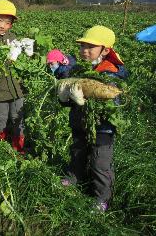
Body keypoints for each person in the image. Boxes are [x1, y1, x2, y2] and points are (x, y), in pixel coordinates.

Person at [57, 25, 128, 212]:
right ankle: (74, 178)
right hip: (80, 122)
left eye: (90, 47)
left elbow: (113, 102)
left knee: (100, 162)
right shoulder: (79, 70)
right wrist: (66, 98)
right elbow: (72, 96)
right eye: (82, 46)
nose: (84, 51)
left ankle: (102, 197)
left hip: (102, 128)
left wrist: (85, 101)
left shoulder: (111, 73)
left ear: (105, 50)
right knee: (77, 152)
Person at [0, 0, 34, 153]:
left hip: (17, 88)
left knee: (18, 118)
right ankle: (1, 145)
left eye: (8, 22)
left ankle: (19, 147)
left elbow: (22, 63)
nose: (3, 25)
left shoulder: (13, 37)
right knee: (1, 119)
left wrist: (27, 53)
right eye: (0, 20)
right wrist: (7, 56)